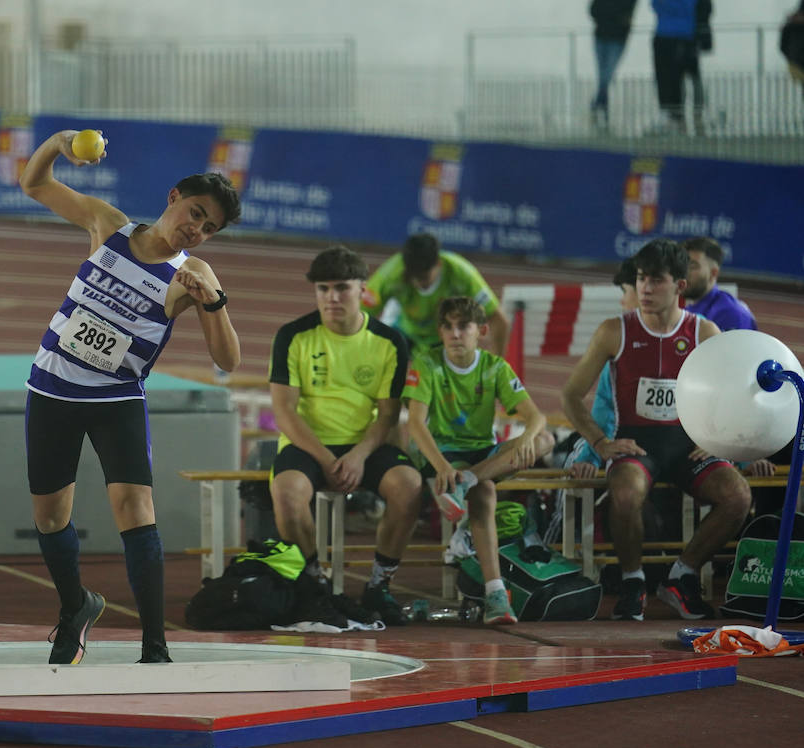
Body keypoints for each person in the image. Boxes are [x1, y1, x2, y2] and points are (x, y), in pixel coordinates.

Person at [21, 128, 241, 664]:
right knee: (50, 517)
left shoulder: (192, 273)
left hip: (117, 399)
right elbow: (34, 183)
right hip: (52, 387)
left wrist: (211, 304)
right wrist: (61, 140)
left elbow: (228, 361)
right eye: (194, 214)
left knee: (135, 508)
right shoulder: (108, 225)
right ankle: (75, 608)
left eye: (208, 228)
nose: (196, 230)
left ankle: (155, 646)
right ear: (172, 198)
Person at [560, 239, 750, 622]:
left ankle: (683, 575)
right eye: (641, 279)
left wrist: (714, 439)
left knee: (738, 497)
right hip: (637, 444)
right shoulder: (614, 332)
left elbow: (733, 395)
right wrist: (600, 442)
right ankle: (633, 582)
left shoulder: (705, 333)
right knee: (626, 493)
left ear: (680, 286)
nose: (645, 288)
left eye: (656, 281)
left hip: (687, 446)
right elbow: (570, 395)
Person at [268, 245, 422, 626]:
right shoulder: (293, 335)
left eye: (341, 288)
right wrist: (325, 458)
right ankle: (314, 584)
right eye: (323, 289)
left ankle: (379, 584)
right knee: (287, 494)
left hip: (365, 442)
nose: (331, 297)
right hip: (308, 444)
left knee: (410, 486)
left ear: (362, 291)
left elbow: (388, 414)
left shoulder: (389, 342)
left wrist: (358, 456)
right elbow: (284, 411)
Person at [404, 297, 554, 625]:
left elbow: (536, 418)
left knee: (545, 440)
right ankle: (497, 595)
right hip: (443, 454)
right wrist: (443, 467)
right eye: (448, 327)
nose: (455, 334)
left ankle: (466, 482)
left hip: (483, 456)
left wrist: (527, 438)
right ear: (440, 332)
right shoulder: (427, 364)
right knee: (485, 495)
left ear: (482, 331)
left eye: (463, 326)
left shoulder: (494, 367)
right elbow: (415, 424)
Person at [362, 232, 509, 359]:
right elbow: (358, 314)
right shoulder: (390, 275)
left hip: (444, 336)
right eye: (414, 277)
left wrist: (494, 368)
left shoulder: (461, 274)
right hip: (403, 331)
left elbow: (499, 320)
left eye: (424, 277)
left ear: (438, 264)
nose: (419, 283)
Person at [566, 259, 638, 477]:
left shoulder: (621, 340)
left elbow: (605, 408)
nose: (622, 301)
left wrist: (593, 452)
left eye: (626, 291)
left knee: (570, 463)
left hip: (632, 452)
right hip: (632, 454)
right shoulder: (619, 337)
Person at [650, 0, 711, 133]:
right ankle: (667, 113)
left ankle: (684, 116)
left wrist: (668, 5)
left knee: (680, 77)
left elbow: (687, 4)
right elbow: (654, 2)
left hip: (683, 35)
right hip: (662, 34)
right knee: (663, 76)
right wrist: (671, 4)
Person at [588, 0, 637, 127]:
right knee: (603, 75)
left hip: (617, 39)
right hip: (601, 37)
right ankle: (603, 112)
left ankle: (597, 106)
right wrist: (613, 15)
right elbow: (593, 10)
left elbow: (624, 11)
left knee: (606, 75)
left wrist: (609, 14)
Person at [682, 236, 756, 331]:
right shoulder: (689, 308)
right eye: (683, 265)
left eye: (693, 266)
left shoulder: (730, 314)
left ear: (713, 273)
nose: (684, 273)